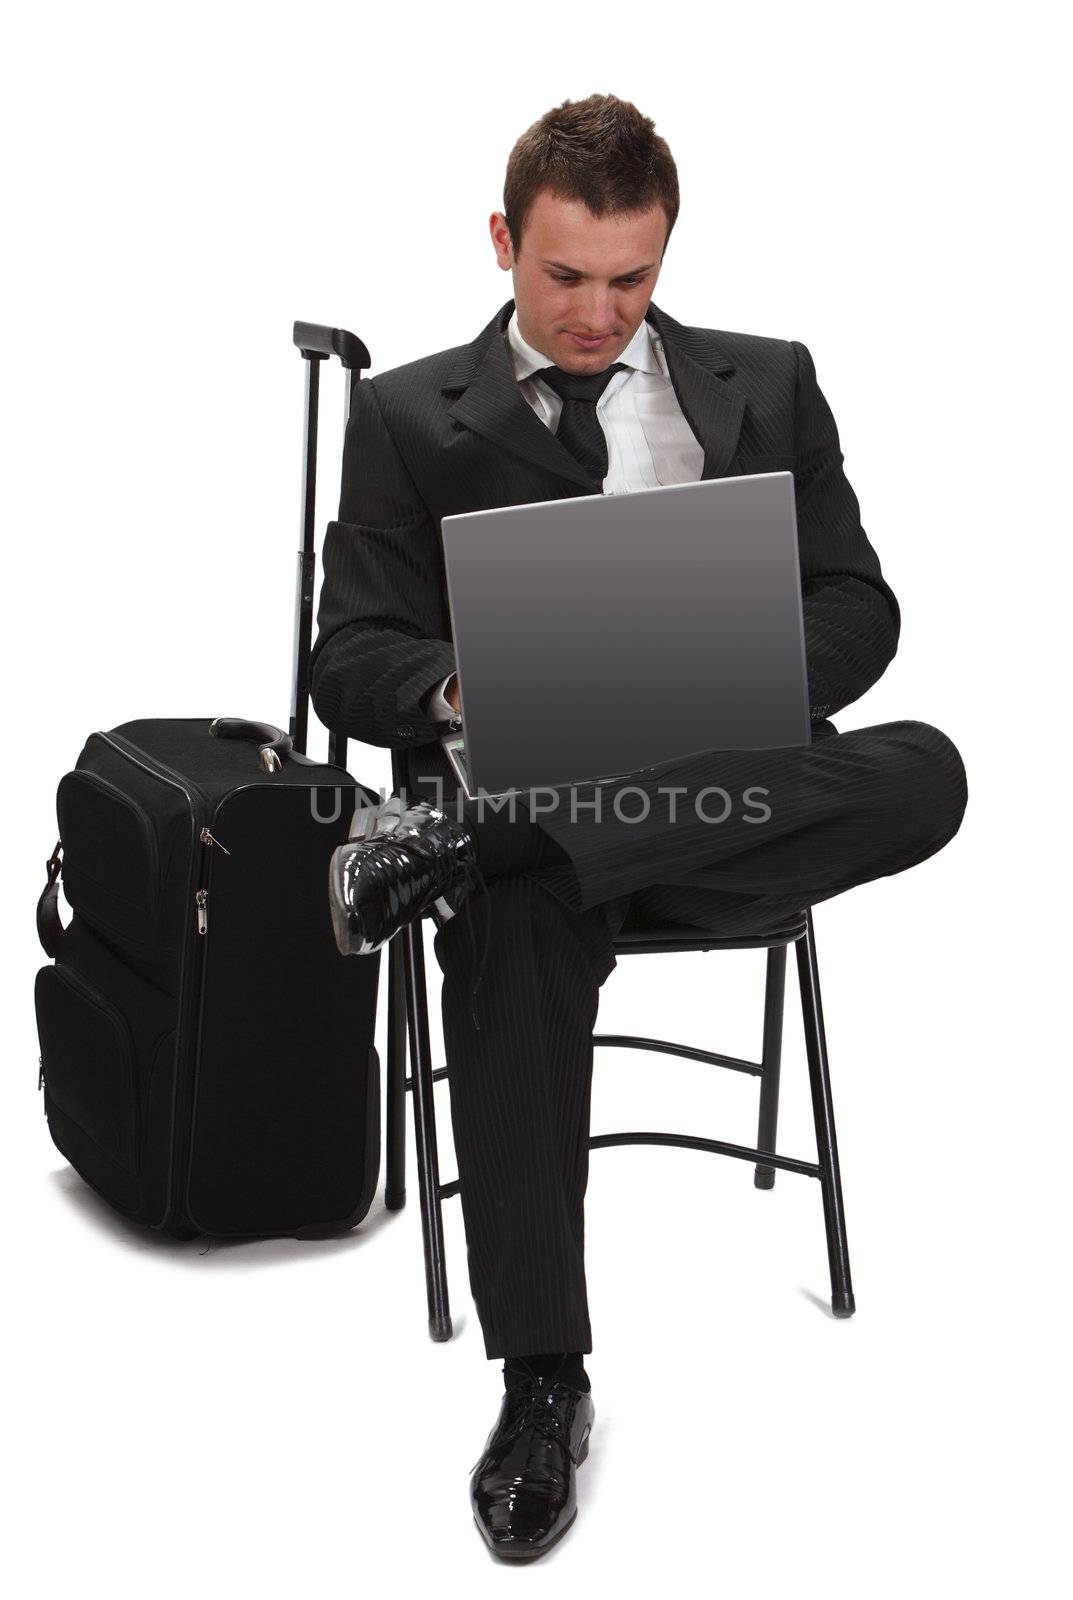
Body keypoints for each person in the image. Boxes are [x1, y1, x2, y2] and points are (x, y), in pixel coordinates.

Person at [310, 92, 968, 1561]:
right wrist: (466, 679)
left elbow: (859, 611)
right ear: (502, 243)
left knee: (929, 770)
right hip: (528, 791)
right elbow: (347, 655)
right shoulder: (412, 414)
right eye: (563, 277)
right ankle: (544, 1383)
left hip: (727, 792)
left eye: (631, 278)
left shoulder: (768, 382)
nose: (598, 311)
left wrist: (712, 650)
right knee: (514, 921)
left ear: (664, 251)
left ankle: (484, 849)